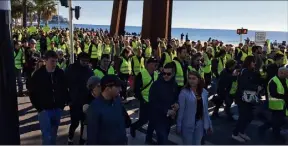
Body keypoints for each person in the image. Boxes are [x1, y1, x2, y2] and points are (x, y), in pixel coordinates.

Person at [29, 50, 69, 145]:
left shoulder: (60, 73)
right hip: (44, 111)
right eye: (52, 61)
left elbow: (64, 89)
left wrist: (62, 105)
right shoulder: (38, 74)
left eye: (56, 61)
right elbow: (32, 93)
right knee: (47, 136)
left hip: (57, 109)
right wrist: (39, 109)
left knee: (54, 134)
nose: (54, 63)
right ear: (45, 61)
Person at [86, 75, 129, 145]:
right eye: (117, 87)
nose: (120, 89)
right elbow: (92, 137)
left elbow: (124, 122)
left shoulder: (117, 100)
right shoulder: (94, 108)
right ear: (108, 89)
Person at [65, 52, 94, 145]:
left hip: (85, 101)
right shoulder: (71, 69)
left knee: (84, 123)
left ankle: (82, 141)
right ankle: (70, 138)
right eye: (83, 61)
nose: (85, 63)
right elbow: (64, 84)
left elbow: (92, 86)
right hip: (74, 101)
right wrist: (68, 100)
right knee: (74, 122)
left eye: (87, 61)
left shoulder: (89, 71)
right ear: (78, 59)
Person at [177, 71, 213, 145]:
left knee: (197, 143)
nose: (191, 81)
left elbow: (205, 111)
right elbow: (181, 111)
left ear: (198, 80)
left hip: (200, 123)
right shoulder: (184, 92)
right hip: (187, 124)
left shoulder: (204, 92)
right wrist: (179, 125)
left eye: (194, 78)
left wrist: (209, 124)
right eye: (189, 78)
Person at [232, 56, 261, 143]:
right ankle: (235, 133)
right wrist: (257, 87)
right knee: (243, 116)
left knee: (249, 116)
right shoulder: (244, 71)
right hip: (242, 97)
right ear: (249, 62)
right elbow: (245, 85)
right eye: (253, 62)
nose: (254, 63)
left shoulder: (250, 71)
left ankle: (241, 131)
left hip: (248, 97)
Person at [148, 62, 179, 144]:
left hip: (168, 119)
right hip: (158, 118)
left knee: (163, 139)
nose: (165, 75)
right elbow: (152, 102)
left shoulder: (174, 85)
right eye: (164, 73)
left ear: (173, 74)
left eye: (168, 74)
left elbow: (176, 97)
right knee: (163, 140)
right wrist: (166, 110)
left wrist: (176, 104)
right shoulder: (156, 85)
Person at [130, 57, 158, 144]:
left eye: (156, 63)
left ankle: (148, 139)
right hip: (145, 101)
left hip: (154, 101)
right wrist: (142, 100)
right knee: (143, 120)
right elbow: (136, 90)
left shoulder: (157, 74)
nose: (155, 65)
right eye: (153, 63)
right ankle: (133, 127)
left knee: (153, 120)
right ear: (148, 64)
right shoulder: (141, 74)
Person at [259, 67, 288, 143]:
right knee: (278, 121)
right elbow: (273, 94)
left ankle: (264, 127)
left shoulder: (285, 80)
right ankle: (276, 136)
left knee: (278, 120)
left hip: (283, 104)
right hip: (276, 105)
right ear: (281, 73)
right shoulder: (273, 81)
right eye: (286, 74)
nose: (287, 75)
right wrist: (285, 96)